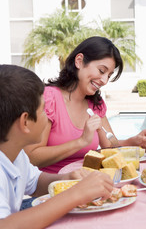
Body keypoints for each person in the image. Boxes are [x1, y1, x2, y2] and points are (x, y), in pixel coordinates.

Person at [24, 36, 146, 174]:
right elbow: (32, 157)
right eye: (102, 71)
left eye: (109, 75)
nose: (104, 80)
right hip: (53, 187)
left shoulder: (95, 104)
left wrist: (135, 140)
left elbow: (109, 146)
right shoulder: (49, 99)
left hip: (86, 183)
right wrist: (81, 142)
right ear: (79, 61)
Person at [0, 64, 113, 228]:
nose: (48, 115)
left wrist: (67, 179)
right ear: (25, 122)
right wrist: (76, 194)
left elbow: (36, 182)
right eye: (43, 110)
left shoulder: (15, 154)